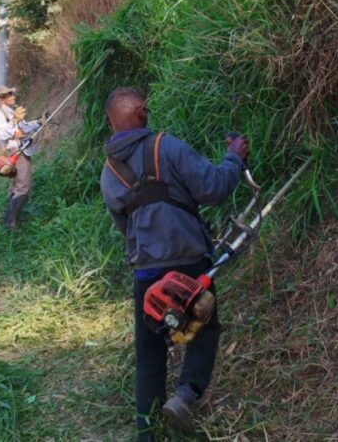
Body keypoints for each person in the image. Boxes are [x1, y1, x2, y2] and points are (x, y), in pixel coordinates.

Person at [100, 87, 248, 441]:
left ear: (110, 121)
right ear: (142, 112)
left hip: (146, 271)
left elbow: (124, 226)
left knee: (149, 350)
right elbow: (213, 188)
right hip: (188, 260)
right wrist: (233, 158)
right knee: (203, 326)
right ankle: (185, 395)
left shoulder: (109, 173)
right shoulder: (165, 146)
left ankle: (147, 431)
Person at [0, 85, 43, 229]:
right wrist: (13, 124)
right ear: (2, 99)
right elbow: (1, 133)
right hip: (15, 151)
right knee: (23, 187)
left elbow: (23, 128)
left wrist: (38, 122)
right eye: (10, 95)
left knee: (16, 186)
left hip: (21, 149)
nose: (13, 97)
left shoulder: (11, 111)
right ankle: (10, 223)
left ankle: (8, 221)